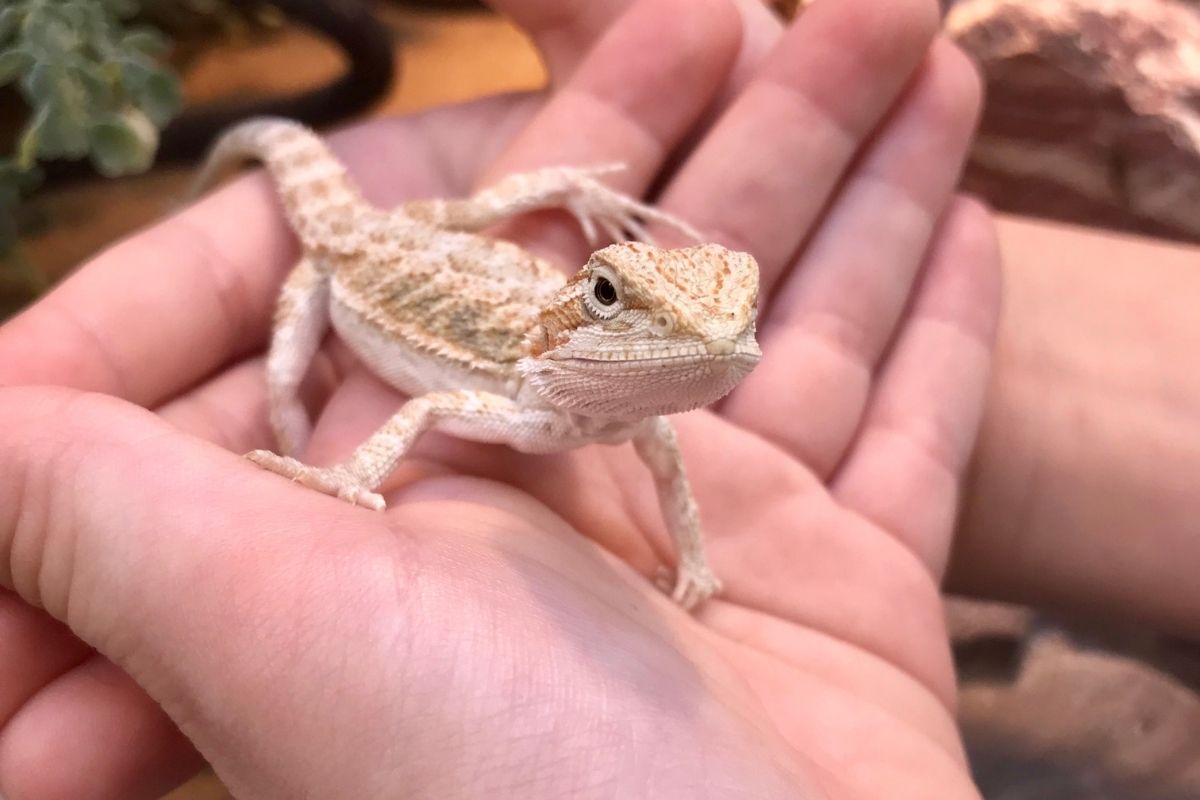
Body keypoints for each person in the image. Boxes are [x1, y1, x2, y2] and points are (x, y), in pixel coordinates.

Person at [0, 0, 1183, 796]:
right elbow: (415, 413)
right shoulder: (517, 396)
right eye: (625, 301)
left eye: (734, 307)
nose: (721, 339)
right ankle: (302, 386)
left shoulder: (635, 406)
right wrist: (347, 474)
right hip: (364, 265)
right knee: (279, 377)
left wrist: (698, 561)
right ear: (588, 317)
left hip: (466, 264)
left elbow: (667, 460)